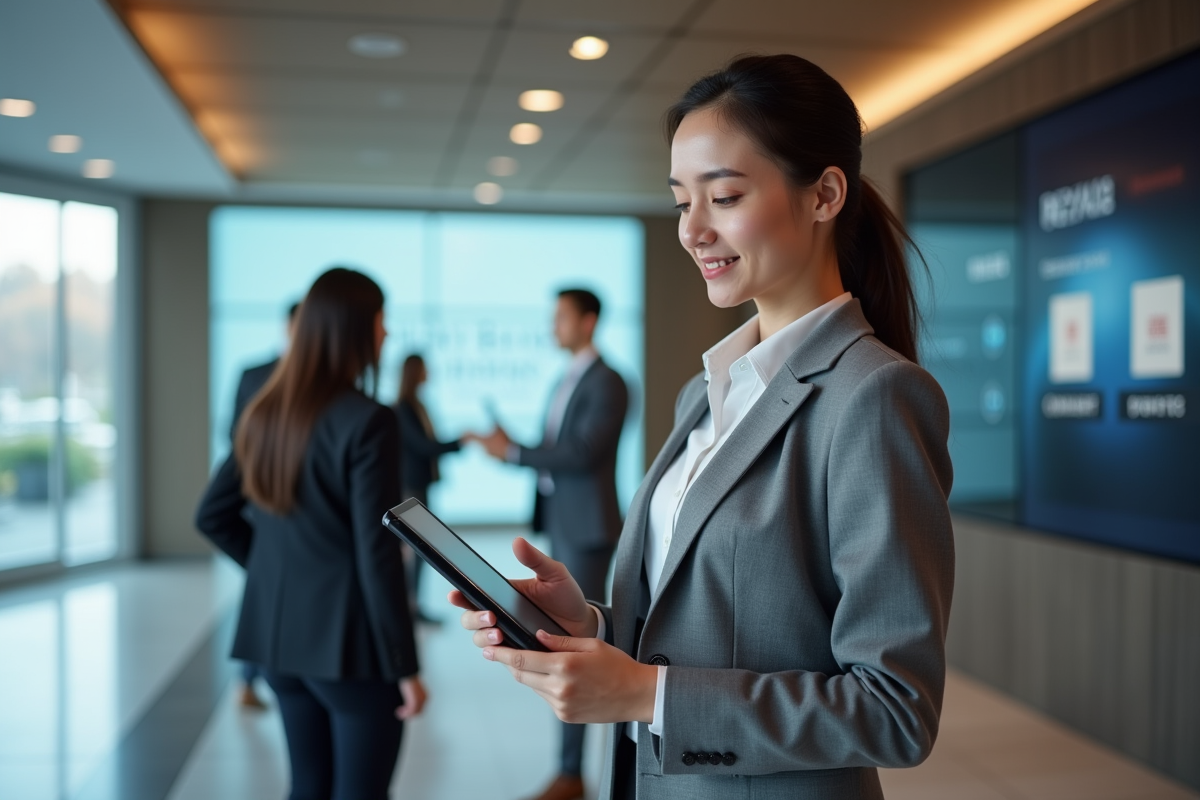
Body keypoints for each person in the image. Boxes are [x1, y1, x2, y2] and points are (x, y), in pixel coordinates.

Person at [453, 54, 955, 800]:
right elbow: (717, 629)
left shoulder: (874, 396)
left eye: (723, 197)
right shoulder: (708, 390)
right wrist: (593, 627)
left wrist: (646, 695)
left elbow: (895, 710)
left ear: (824, 194)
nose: (693, 230)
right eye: (681, 201)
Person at [196, 267, 426, 800]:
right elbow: (376, 553)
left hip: (277, 645)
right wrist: (404, 665)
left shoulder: (265, 412)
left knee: (307, 787)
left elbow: (213, 515)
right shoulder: (369, 420)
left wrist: (281, 574)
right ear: (355, 328)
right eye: (381, 320)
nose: (387, 332)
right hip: (349, 649)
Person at [476, 288, 629, 800]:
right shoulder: (568, 378)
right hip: (564, 522)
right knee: (561, 640)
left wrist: (514, 453)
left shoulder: (608, 381)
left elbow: (582, 453)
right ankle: (570, 770)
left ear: (588, 322)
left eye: (561, 317)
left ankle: (571, 773)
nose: (553, 326)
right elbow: (557, 449)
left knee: (572, 645)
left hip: (586, 528)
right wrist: (512, 447)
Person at [228, 300, 300, 710]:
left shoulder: (326, 383)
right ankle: (248, 678)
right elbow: (235, 436)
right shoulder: (254, 374)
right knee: (264, 586)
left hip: (305, 508)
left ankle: (261, 676)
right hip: (262, 500)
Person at [393, 353, 463, 625]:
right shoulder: (403, 408)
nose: (428, 373)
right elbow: (423, 447)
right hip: (410, 488)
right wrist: (460, 442)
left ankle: (412, 605)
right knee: (413, 549)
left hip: (419, 486)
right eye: (424, 368)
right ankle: (407, 606)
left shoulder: (416, 405)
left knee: (420, 549)